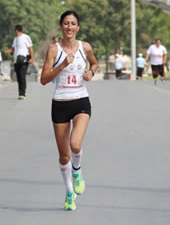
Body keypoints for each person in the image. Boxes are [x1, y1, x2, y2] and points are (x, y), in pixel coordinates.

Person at [40, 11, 98, 211]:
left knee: (75, 144)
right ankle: (69, 192)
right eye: (66, 24)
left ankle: (77, 171)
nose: (70, 27)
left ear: (78, 27)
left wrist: (91, 72)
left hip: (81, 100)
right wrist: (63, 64)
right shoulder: (53, 50)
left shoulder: (85, 47)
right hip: (60, 103)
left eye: (73, 24)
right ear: (61, 26)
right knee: (64, 155)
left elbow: (94, 62)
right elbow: (44, 79)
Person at [4, 24, 34, 99]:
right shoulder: (15, 39)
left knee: (22, 75)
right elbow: (13, 48)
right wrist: (7, 51)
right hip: (17, 61)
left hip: (24, 60)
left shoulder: (26, 37)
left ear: (17, 30)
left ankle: (22, 93)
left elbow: (30, 48)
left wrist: (32, 58)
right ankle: (21, 92)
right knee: (18, 76)